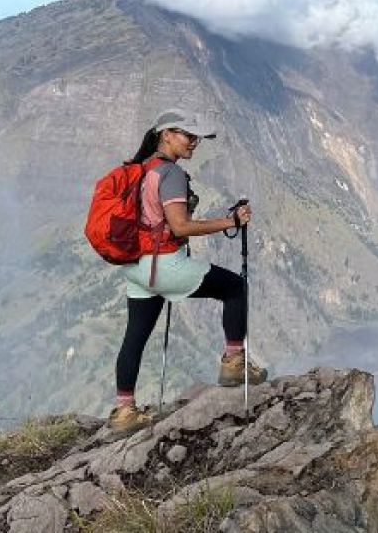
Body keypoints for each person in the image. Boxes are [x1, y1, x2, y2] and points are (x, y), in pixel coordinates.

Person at [108, 108, 268, 433]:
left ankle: (124, 412)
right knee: (234, 287)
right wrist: (231, 221)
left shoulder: (141, 168)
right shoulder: (171, 174)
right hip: (164, 264)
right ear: (167, 135)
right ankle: (234, 363)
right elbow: (180, 227)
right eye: (189, 135)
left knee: (134, 336)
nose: (194, 142)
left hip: (137, 266)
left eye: (197, 137)